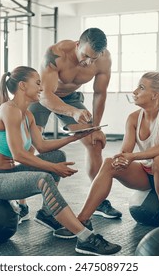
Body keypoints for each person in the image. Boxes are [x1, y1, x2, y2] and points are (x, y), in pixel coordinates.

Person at [0, 66, 121, 255]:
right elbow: (19, 154)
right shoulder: (9, 110)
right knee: (44, 178)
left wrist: (74, 137)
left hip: (7, 175)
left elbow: (42, 146)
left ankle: (46, 213)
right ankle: (85, 238)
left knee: (57, 156)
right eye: (37, 83)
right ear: (22, 86)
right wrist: (53, 168)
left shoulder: (27, 115)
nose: (42, 88)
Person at [53, 71, 159, 238]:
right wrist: (121, 160)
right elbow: (126, 151)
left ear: (155, 95)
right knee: (110, 162)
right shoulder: (133, 118)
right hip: (148, 174)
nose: (134, 92)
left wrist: (132, 157)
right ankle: (82, 221)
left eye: (141, 87)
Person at [28, 27, 122, 219]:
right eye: (85, 55)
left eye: (93, 59)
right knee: (28, 145)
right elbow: (45, 95)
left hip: (70, 99)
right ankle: (20, 204)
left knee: (95, 143)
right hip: (41, 96)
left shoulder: (104, 60)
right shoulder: (56, 54)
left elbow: (99, 93)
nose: (88, 62)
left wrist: (95, 127)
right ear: (77, 45)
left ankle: (98, 202)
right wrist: (73, 111)